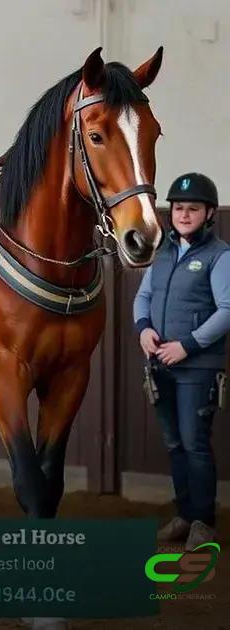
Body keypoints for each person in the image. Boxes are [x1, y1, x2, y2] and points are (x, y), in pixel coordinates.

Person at [134, 172, 227, 549]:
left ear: (209, 214)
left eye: (193, 208)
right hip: (160, 365)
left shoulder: (219, 256)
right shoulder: (162, 252)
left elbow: (227, 310)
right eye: (178, 208)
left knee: (194, 443)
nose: (184, 214)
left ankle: (203, 522)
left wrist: (187, 345)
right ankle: (185, 515)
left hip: (196, 368)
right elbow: (143, 297)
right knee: (174, 444)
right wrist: (143, 329)